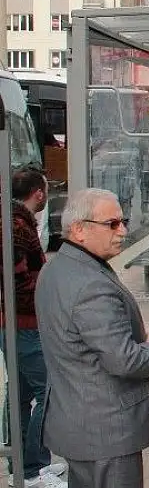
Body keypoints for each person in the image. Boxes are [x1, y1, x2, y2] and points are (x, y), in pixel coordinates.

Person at [36, 189, 149, 488]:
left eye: (123, 221)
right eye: (112, 224)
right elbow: (125, 360)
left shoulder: (57, 267)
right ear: (79, 230)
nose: (122, 230)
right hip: (107, 431)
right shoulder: (91, 286)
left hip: (78, 423)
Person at [1, 169, 68, 487]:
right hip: (23, 324)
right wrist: (47, 287)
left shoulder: (14, 220)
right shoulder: (16, 226)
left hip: (15, 323)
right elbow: (17, 282)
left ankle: (23, 466)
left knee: (19, 392)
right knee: (47, 392)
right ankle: (30, 469)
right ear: (39, 194)